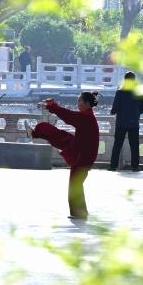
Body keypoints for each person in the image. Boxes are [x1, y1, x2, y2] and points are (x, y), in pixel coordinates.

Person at [26, 92, 100, 220]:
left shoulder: (86, 118)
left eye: (79, 101)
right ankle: (81, 212)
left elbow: (68, 116)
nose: (78, 104)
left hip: (82, 156)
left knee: (75, 185)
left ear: (87, 104)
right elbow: (69, 115)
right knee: (60, 136)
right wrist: (51, 106)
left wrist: (53, 106)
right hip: (82, 152)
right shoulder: (87, 116)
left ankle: (79, 213)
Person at [108, 71, 143, 172]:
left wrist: (112, 112)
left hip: (121, 122)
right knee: (134, 146)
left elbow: (115, 108)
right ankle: (135, 166)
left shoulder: (120, 91)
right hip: (134, 122)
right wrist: (136, 113)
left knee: (117, 144)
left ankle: (113, 166)